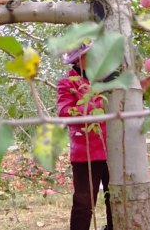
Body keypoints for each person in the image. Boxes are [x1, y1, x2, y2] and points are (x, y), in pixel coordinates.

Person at [58, 42, 113, 230]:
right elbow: (66, 113)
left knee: (115, 198)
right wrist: (96, 107)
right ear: (78, 60)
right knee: (84, 202)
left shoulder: (107, 80)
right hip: (86, 153)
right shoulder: (68, 83)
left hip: (113, 149)